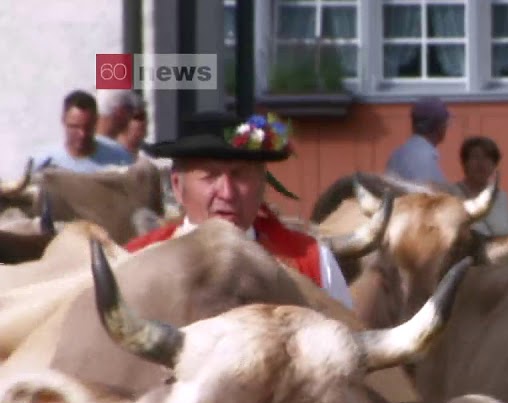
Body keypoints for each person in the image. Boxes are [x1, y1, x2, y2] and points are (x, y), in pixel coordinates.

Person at [124, 111, 354, 309]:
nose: (227, 193)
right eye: (210, 176)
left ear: (262, 184)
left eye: (240, 175)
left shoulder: (311, 261)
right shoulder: (132, 261)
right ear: (177, 186)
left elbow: (347, 341)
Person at [31, 90, 135, 172]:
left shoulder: (119, 158)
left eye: (88, 127)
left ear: (96, 121)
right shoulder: (43, 163)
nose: (82, 134)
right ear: (63, 120)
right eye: (74, 127)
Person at [454, 135, 508, 237]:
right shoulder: (451, 195)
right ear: (464, 163)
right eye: (475, 157)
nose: (481, 163)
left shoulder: (502, 197)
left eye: (487, 158)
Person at [386, 96, 450, 185]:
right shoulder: (424, 157)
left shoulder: (396, 154)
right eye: (446, 123)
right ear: (440, 126)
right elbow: (431, 195)